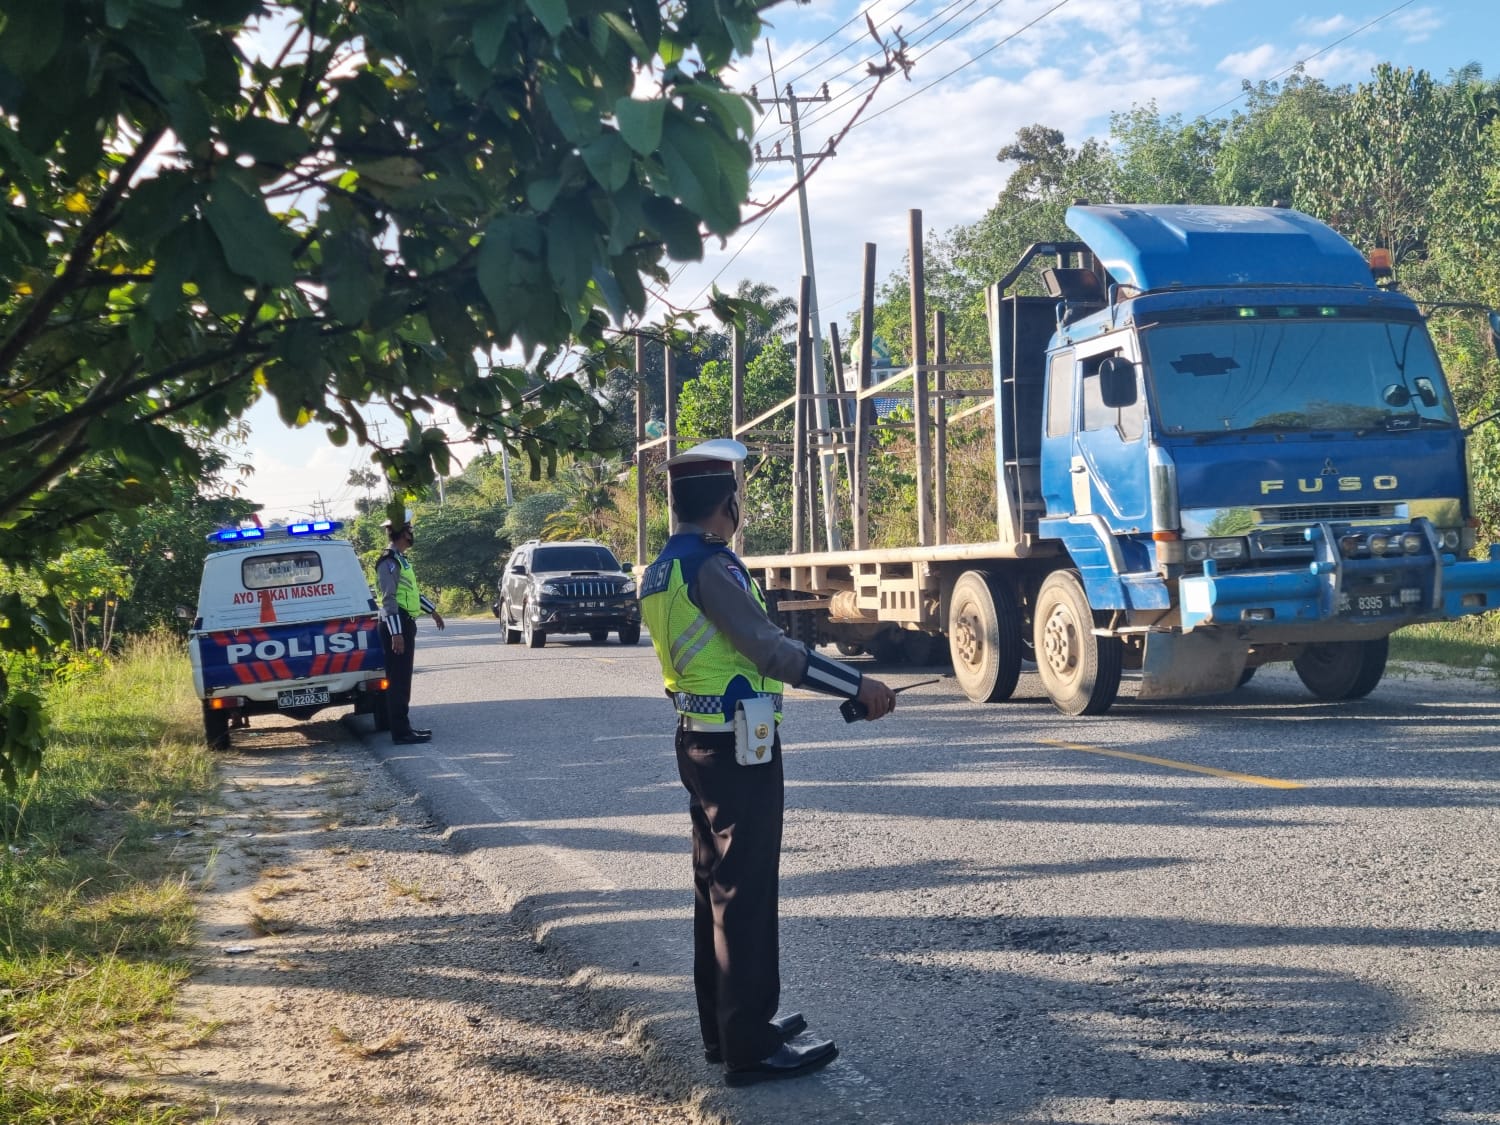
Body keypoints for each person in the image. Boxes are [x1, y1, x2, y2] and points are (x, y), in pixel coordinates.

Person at [639, 438, 897, 1087]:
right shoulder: (711, 566)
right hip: (739, 749)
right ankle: (749, 1045)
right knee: (745, 892)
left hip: (698, 739)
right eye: (737, 500)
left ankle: (726, 1029)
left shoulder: (661, 568)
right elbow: (772, 651)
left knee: (715, 887)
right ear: (727, 503)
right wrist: (857, 686)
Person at [375, 519, 445, 745]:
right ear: (403, 533)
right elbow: (389, 599)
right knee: (397, 681)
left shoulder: (401, 560)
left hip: (404, 623)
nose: (412, 534)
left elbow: (412, 593)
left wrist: (432, 611)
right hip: (396, 625)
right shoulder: (388, 561)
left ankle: (404, 728)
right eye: (410, 530)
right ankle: (400, 733)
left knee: (403, 680)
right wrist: (396, 634)